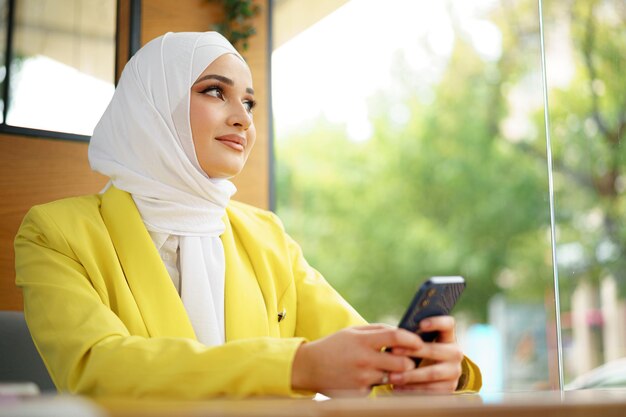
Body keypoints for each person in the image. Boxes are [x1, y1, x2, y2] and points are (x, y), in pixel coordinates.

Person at [14, 32, 481, 398]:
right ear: (152, 109)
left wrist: (431, 371)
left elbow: (357, 349)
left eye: (250, 101)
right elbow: (98, 369)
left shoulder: (265, 234)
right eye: (215, 92)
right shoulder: (56, 233)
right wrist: (298, 367)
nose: (243, 117)